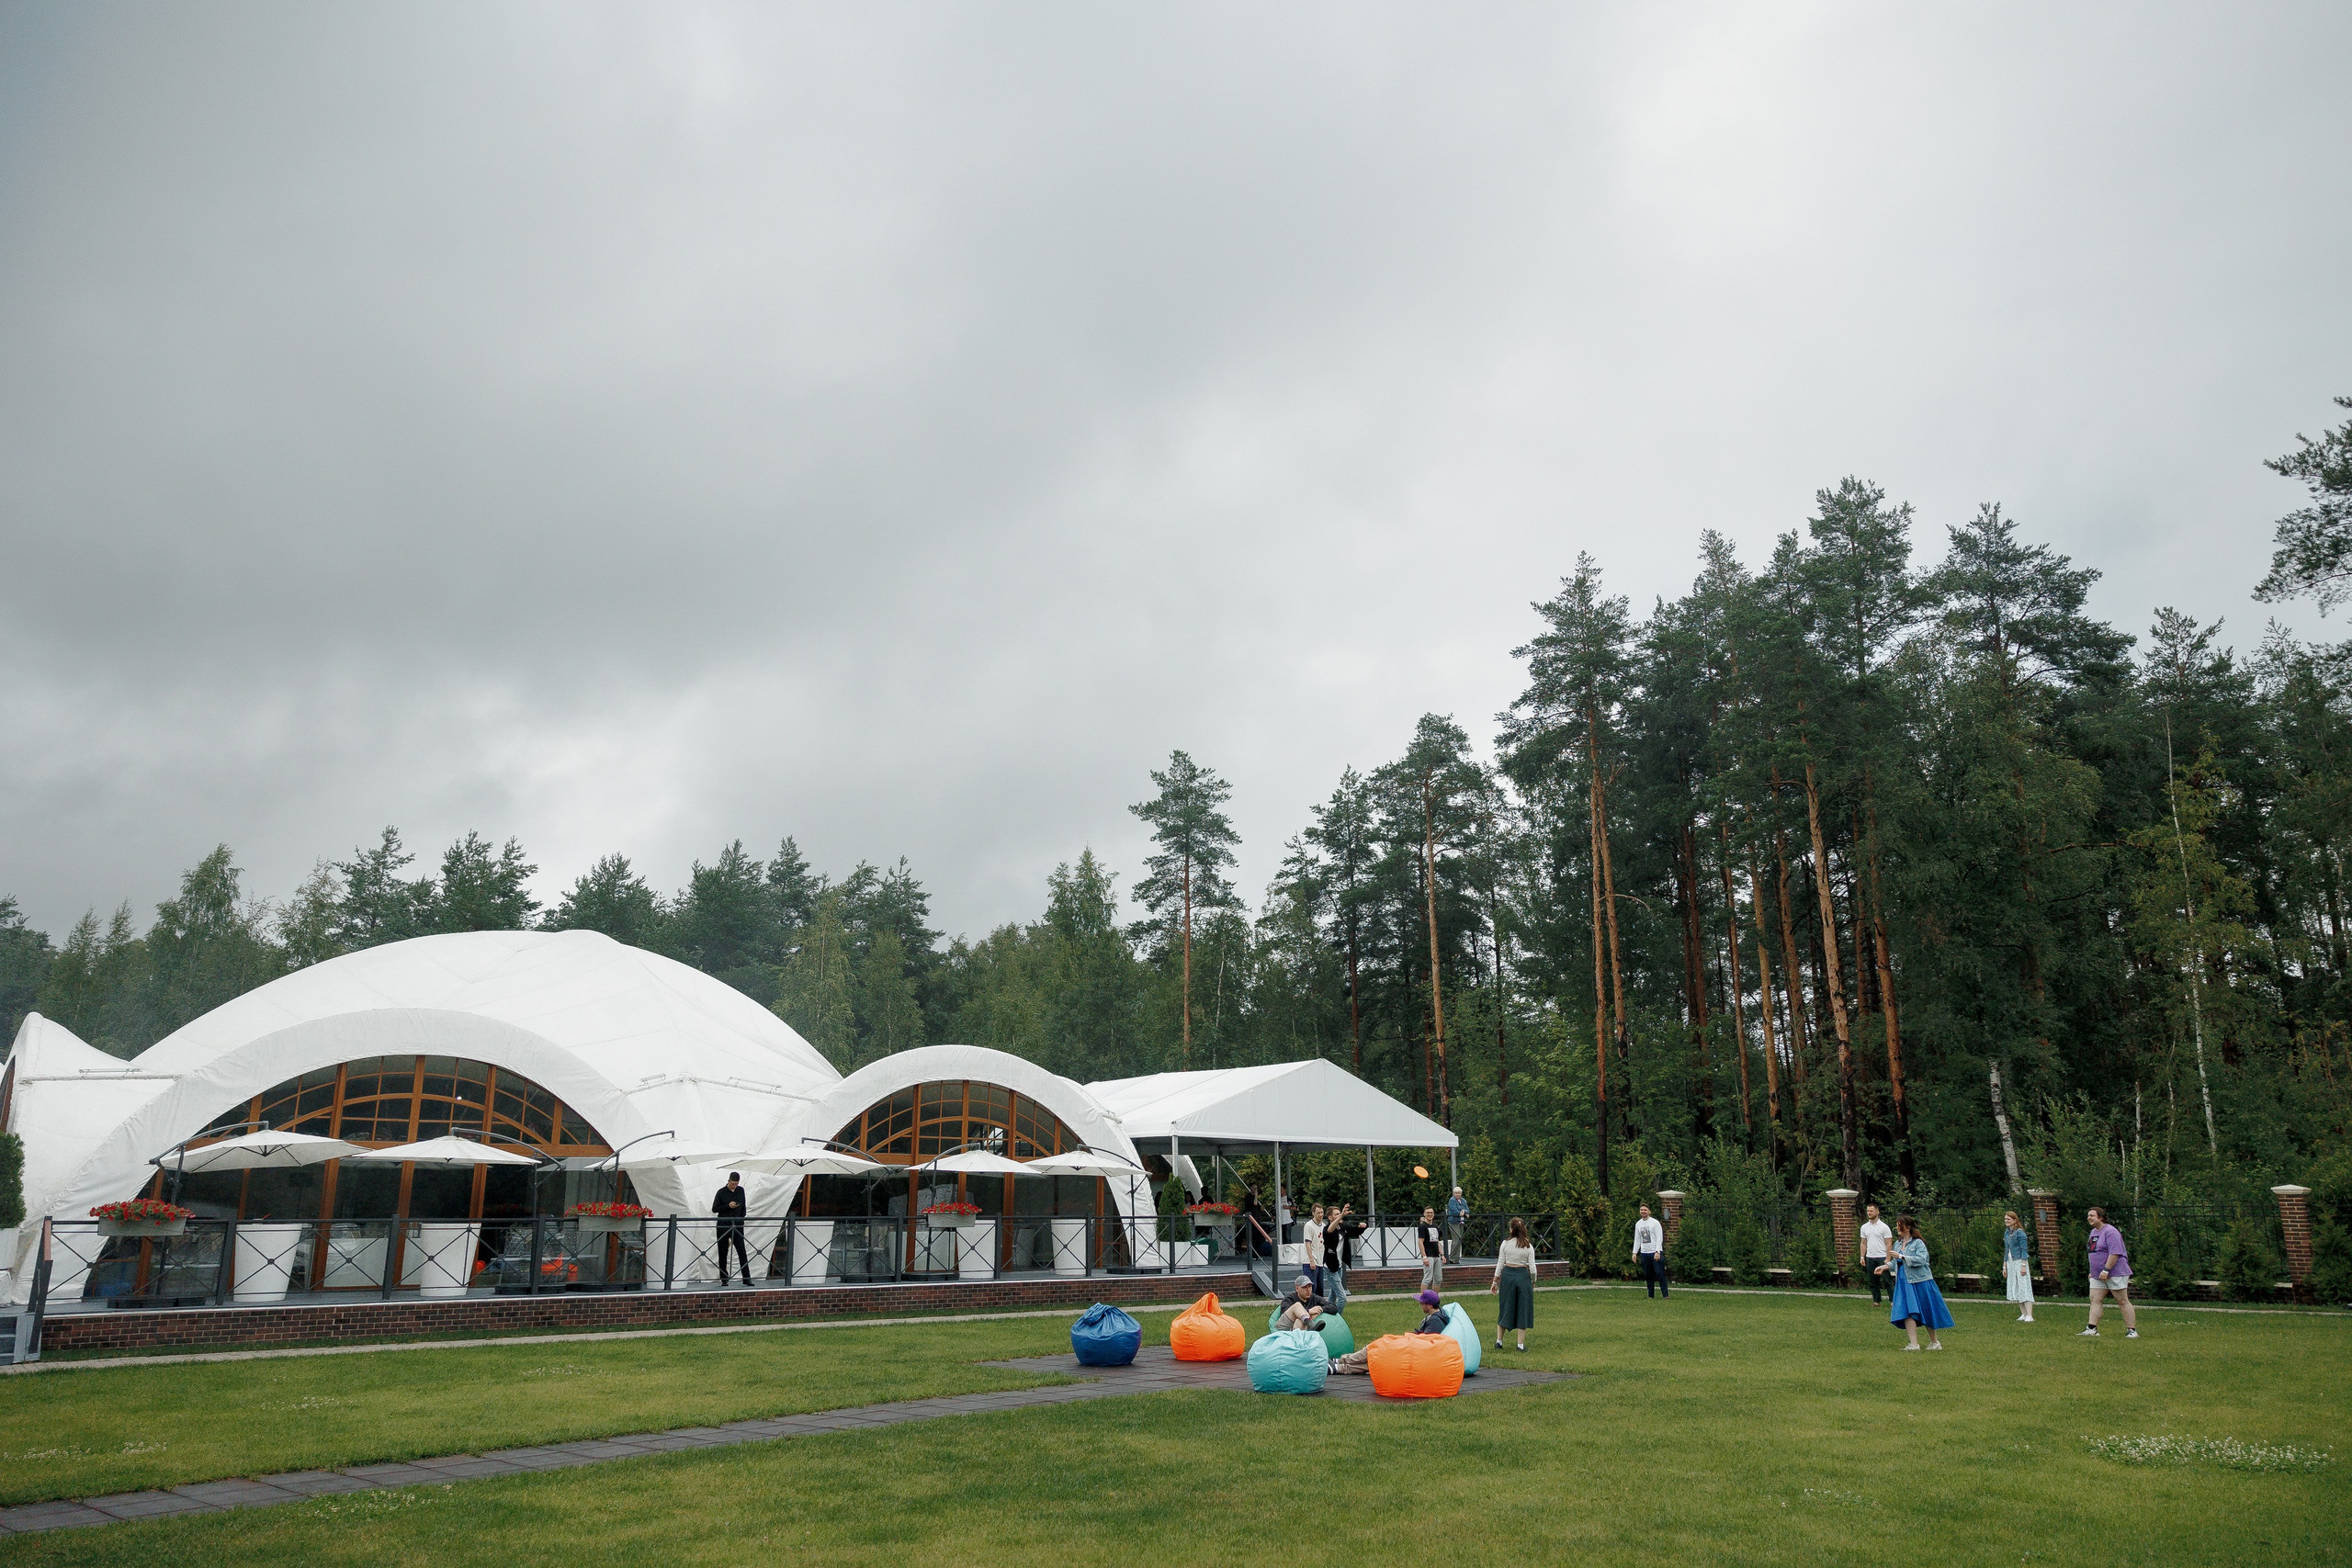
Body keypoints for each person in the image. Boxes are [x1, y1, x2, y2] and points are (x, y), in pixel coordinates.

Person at [1329, 1290, 1450, 1374]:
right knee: (1377, 1348)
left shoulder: (1435, 1321)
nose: (1420, 1305)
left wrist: (1405, 1341)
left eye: (1421, 1303)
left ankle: (1340, 1365)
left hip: (1413, 1350)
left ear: (1429, 1305)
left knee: (1377, 1352)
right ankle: (1340, 1364)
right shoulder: (1436, 1314)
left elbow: (1425, 1343)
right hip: (1411, 1345)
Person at [1878, 1214, 1952, 1350]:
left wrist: (1902, 1256)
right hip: (1904, 1282)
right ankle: (1913, 1344)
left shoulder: (1918, 1243)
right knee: (1908, 1311)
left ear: (1907, 1227)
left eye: (1899, 1224)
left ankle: (1935, 1342)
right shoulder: (1898, 1243)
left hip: (1920, 1281)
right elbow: (1897, 1263)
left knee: (1926, 1310)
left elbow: (1921, 1260)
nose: (1896, 1227)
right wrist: (1885, 1267)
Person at [2079, 1206, 2139, 1339]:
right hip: (2097, 1274)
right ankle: (2092, 1328)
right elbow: (2094, 1253)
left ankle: (2132, 1330)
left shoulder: (2111, 1232)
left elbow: (2115, 1252)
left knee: (2122, 1301)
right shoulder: (2094, 1232)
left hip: (2115, 1272)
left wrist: (2106, 1269)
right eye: (2088, 1215)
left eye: (2092, 1216)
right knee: (2095, 1299)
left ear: (2100, 1217)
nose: (2089, 1218)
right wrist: (2092, 1271)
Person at [1490, 1214, 1537, 1351]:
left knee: (1506, 1307)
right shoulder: (1528, 1246)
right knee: (1523, 1309)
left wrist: (1495, 1281)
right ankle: (1520, 1345)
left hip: (1508, 1276)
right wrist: (1533, 1280)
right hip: (1523, 1276)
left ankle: (1499, 1342)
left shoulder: (1505, 1244)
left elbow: (1500, 1263)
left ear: (1511, 1229)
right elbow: (1533, 1268)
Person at [1323, 1203, 1366, 1314]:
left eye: (1340, 1214)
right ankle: (1338, 1318)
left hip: (1339, 1266)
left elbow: (1353, 1231)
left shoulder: (1343, 1227)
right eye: (1336, 1214)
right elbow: (1330, 1230)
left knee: (1333, 1294)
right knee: (1342, 1297)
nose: (1340, 1216)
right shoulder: (1326, 1229)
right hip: (1330, 1267)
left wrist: (1361, 1227)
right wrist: (1341, 1215)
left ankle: (1327, 1315)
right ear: (1330, 1217)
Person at [712, 1171, 752, 1286]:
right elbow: (714, 1208)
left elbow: (743, 1206)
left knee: (742, 1251)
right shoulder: (721, 1192)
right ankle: (724, 1279)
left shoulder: (741, 1190)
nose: (734, 1186)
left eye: (736, 1183)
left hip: (737, 1224)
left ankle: (746, 1277)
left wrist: (741, 1219)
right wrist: (728, 1206)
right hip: (723, 1224)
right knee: (723, 1251)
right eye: (732, 1183)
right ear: (728, 1181)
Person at [2002, 1211, 2035, 1323]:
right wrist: (2004, 1266)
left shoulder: (2020, 1233)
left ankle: (2029, 1314)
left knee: (2023, 1286)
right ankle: (2023, 1313)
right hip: (2011, 1262)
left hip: (2019, 1261)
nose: (2006, 1221)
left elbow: (2024, 1249)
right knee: (2014, 1286)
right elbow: (2007, 1250)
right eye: (2005, 1219)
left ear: (2014, 1220)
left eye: (2009, 1219)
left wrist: (2023, 1266)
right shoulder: (2007, 1233)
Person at [1858, 1202, 1894, 1305]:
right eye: (1868, 1211)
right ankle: (1876, 1300)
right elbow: (1863, 1243)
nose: (1869, 1213)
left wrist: (1888, 1258)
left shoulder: (1884, 1227)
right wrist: (1862, 1256)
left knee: (1887, 1280)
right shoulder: (1864, 1227)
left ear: (1877, 1212)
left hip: (1882, 1257)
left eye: (1871, 1211)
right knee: (1873, 1281)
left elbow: (1889, 1243)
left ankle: (1892, 1300)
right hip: (1870, 1257)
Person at [1633, 1203, 1668, 1298]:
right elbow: (1637, 1239)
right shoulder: (1638, 1224)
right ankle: (1650, 1295)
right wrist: (1635, 1252)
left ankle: (1665, 1295)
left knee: (1660, 1274)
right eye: (1641, 1210)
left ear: (1649, 1211)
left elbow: (1659, 1237)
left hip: (1655, 1252)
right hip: (1645, 1253)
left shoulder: (1655, 1223)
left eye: (1645, 1210)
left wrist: (1657, 1251)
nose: (1643, 1211)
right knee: (1649, 1275)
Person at [1301, 1203, 1328, 1298]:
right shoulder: (1309, 1226)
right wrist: (1311, 1260)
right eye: (1318, 1213)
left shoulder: (1324, 1226)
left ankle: (1319, 1307)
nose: (1320, 1215)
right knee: (1312, 1286)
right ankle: (1309, 1307)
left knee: (1320, 1287)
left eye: (1322, 1212)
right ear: (1313, 1213)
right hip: (1311, 1261)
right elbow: (1308, 1243)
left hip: (1320, 1261)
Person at [1418, 1205, 1446, 1292]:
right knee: (1427, 1278)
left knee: (1438, 1279)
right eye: (1428, 1213)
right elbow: (1420, 1242)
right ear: (1424, 1214)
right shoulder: (1423, 1227)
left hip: (1436, 1255)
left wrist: (1442, 1254)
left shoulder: (1435, 1226)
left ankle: (1434, 1299)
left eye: (1431, 1213)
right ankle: (1423, 1299)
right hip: (1428, 1255)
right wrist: (1424, 1257)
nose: (1430, 1214)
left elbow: (1437, 1241)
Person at [1445, 1187, 1470, 1262]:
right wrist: (1461, 1213)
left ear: (1461, 1193)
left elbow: (1467, 1209)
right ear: (1453, 1193)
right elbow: (1453, 1210)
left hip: (1461, 1222)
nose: (1457, 1194)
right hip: (1453, 1221)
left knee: (1460, 1239)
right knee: (1457, 1239)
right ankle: (1452, 1258)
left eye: (1459, 1193)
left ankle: (1456, 1259)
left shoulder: (1463, 1200)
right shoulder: (1452, 1200)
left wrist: (1464, 1211)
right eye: (1456, 1193)